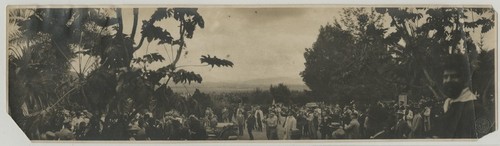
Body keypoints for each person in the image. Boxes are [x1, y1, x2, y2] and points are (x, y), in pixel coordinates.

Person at [440, 54, 477, 138]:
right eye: (445, 77)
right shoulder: (448, 104)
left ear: (464, 79)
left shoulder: (475, 108)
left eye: (454, 76)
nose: (448, 81)